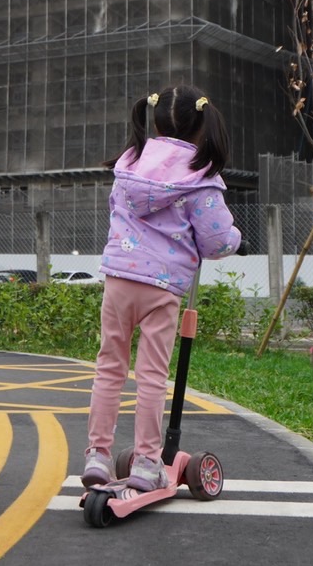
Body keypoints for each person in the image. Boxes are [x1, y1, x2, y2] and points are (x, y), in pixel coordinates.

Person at [84, 85, 241, 492]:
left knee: (109, 367)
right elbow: (218, 241)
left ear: (152, 119)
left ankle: (98, 455)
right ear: (201, 127)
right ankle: (147, 463)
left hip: (118, 278)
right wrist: (234, 237)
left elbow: (116, 210)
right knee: (151, 376)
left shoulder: (129, 164)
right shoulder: (199, 176)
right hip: (162, 286)